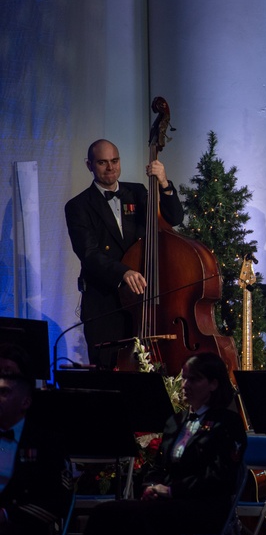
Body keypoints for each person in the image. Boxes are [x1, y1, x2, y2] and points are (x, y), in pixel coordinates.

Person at [75, 352, 246, 535]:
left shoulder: (227, 423)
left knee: (150, 518)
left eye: (194, 380)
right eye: (185, 378)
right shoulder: (176, 421)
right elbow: (157, 466)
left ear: (213, 384)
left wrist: (171, 489)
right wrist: (151, 486)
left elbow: (219, 477)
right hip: (170, 501)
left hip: (207, 505)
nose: (185, 385)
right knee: (105, 512)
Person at [65, 139, 185, 369]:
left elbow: (174, 219)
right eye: (102, 162)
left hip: (144, 303)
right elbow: (88, 254)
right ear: (89, 165)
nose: (110, 168)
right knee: (111, 373)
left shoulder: (138, 191)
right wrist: (124, 272)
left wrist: (163, 182)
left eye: (115, 161)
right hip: (106, 305)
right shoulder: (78, 206)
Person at [0, 344, 71, 535]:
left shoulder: (44, 441)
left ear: (25, 401)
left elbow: (57, 500)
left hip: (25, 528)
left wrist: (6, 515)